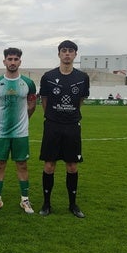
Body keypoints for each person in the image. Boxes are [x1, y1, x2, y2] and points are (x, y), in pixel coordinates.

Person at [38, 40, 90, 218]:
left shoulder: (82, 77)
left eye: (71, 51)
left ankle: (73, 204)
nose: (67, 54)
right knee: (49, 165)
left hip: (72, 127)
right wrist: (54, 116)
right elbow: (44, 101)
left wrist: (70, 115)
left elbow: (80, 100)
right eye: (64, 51)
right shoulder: (48, 77)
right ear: (59, 54)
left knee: (72, 166)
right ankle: (46, 204)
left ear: (75, 54)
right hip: (52, 126)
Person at [0, 47, 36, 214]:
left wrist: (23, 120)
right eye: (10, 59)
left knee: (22, 164)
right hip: (1, 132)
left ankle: (25, 200)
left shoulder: (28, 83)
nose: (13, 62)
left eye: (16, 59)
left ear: (20, 62)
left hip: (21, 133)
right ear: (4, 61)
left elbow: (31, 104)